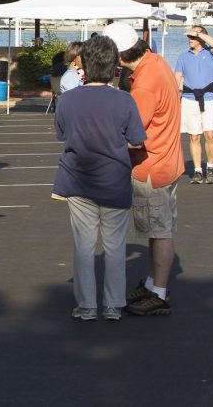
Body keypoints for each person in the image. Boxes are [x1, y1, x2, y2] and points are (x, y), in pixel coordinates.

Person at [52, 35, 147, 321]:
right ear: (114, 66)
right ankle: (113, 305)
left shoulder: (68, 99)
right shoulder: (124, 100)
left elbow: (62, 135)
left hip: (78, 179)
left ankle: (87, 306)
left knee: (84, 245)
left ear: (84, 64)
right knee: (115, 245)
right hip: (115, 179)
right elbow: (137, 142)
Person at [105, 22, 182, 317]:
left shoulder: (145, 84)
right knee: (157, 228)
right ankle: (153, 283)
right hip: (167, 158)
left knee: (159, 229)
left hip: (152, 165)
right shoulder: (156, 61)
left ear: (120, 55)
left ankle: (159, 292)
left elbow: (134, 134)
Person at [175, 25, 213, 184]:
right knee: (194, 136)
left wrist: (198, 33)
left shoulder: (211, 53)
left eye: (193, 37)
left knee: (210, 134)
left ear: (201, 37)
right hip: (188, 98)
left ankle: (210, 166)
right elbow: (177, 78)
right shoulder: (183, 56)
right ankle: (197, 170)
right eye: (189, 37)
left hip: (208, 98)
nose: (190, 39)